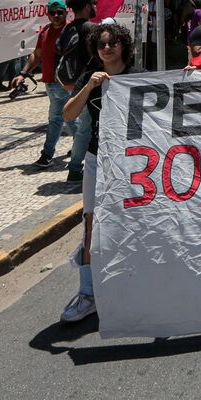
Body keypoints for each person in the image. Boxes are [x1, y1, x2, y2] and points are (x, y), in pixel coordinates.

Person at [60, 23, 142, 322]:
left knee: (136, 221)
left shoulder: (138, 77)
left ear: (123, 46)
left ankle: (139, 286)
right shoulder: (90, 78)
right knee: (91, 224)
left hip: (133, 161)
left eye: (112, 43)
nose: (107, 48)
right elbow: (68, 113)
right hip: (98, 159)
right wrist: (89, 86)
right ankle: (88, 294)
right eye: (101, 44)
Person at [10, 0, 72, 168]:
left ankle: (48, 154)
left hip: (68, 84)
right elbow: (36, 55)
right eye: (53, 13)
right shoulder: (44, 31)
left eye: (60, 12)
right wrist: (23, 73)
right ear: (47, 14)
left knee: (61, 119)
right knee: (66, 119)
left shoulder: (71, 31)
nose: (57, 15)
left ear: (67, 12)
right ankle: (79, 146)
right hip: (50, 84)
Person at [56, 0, 97, 183]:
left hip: (70, 82)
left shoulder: (67, 28)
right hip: (88, 83)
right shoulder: (91, 28)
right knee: (85, 127)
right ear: (88, 6)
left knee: (81, 124)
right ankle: (74, 169)